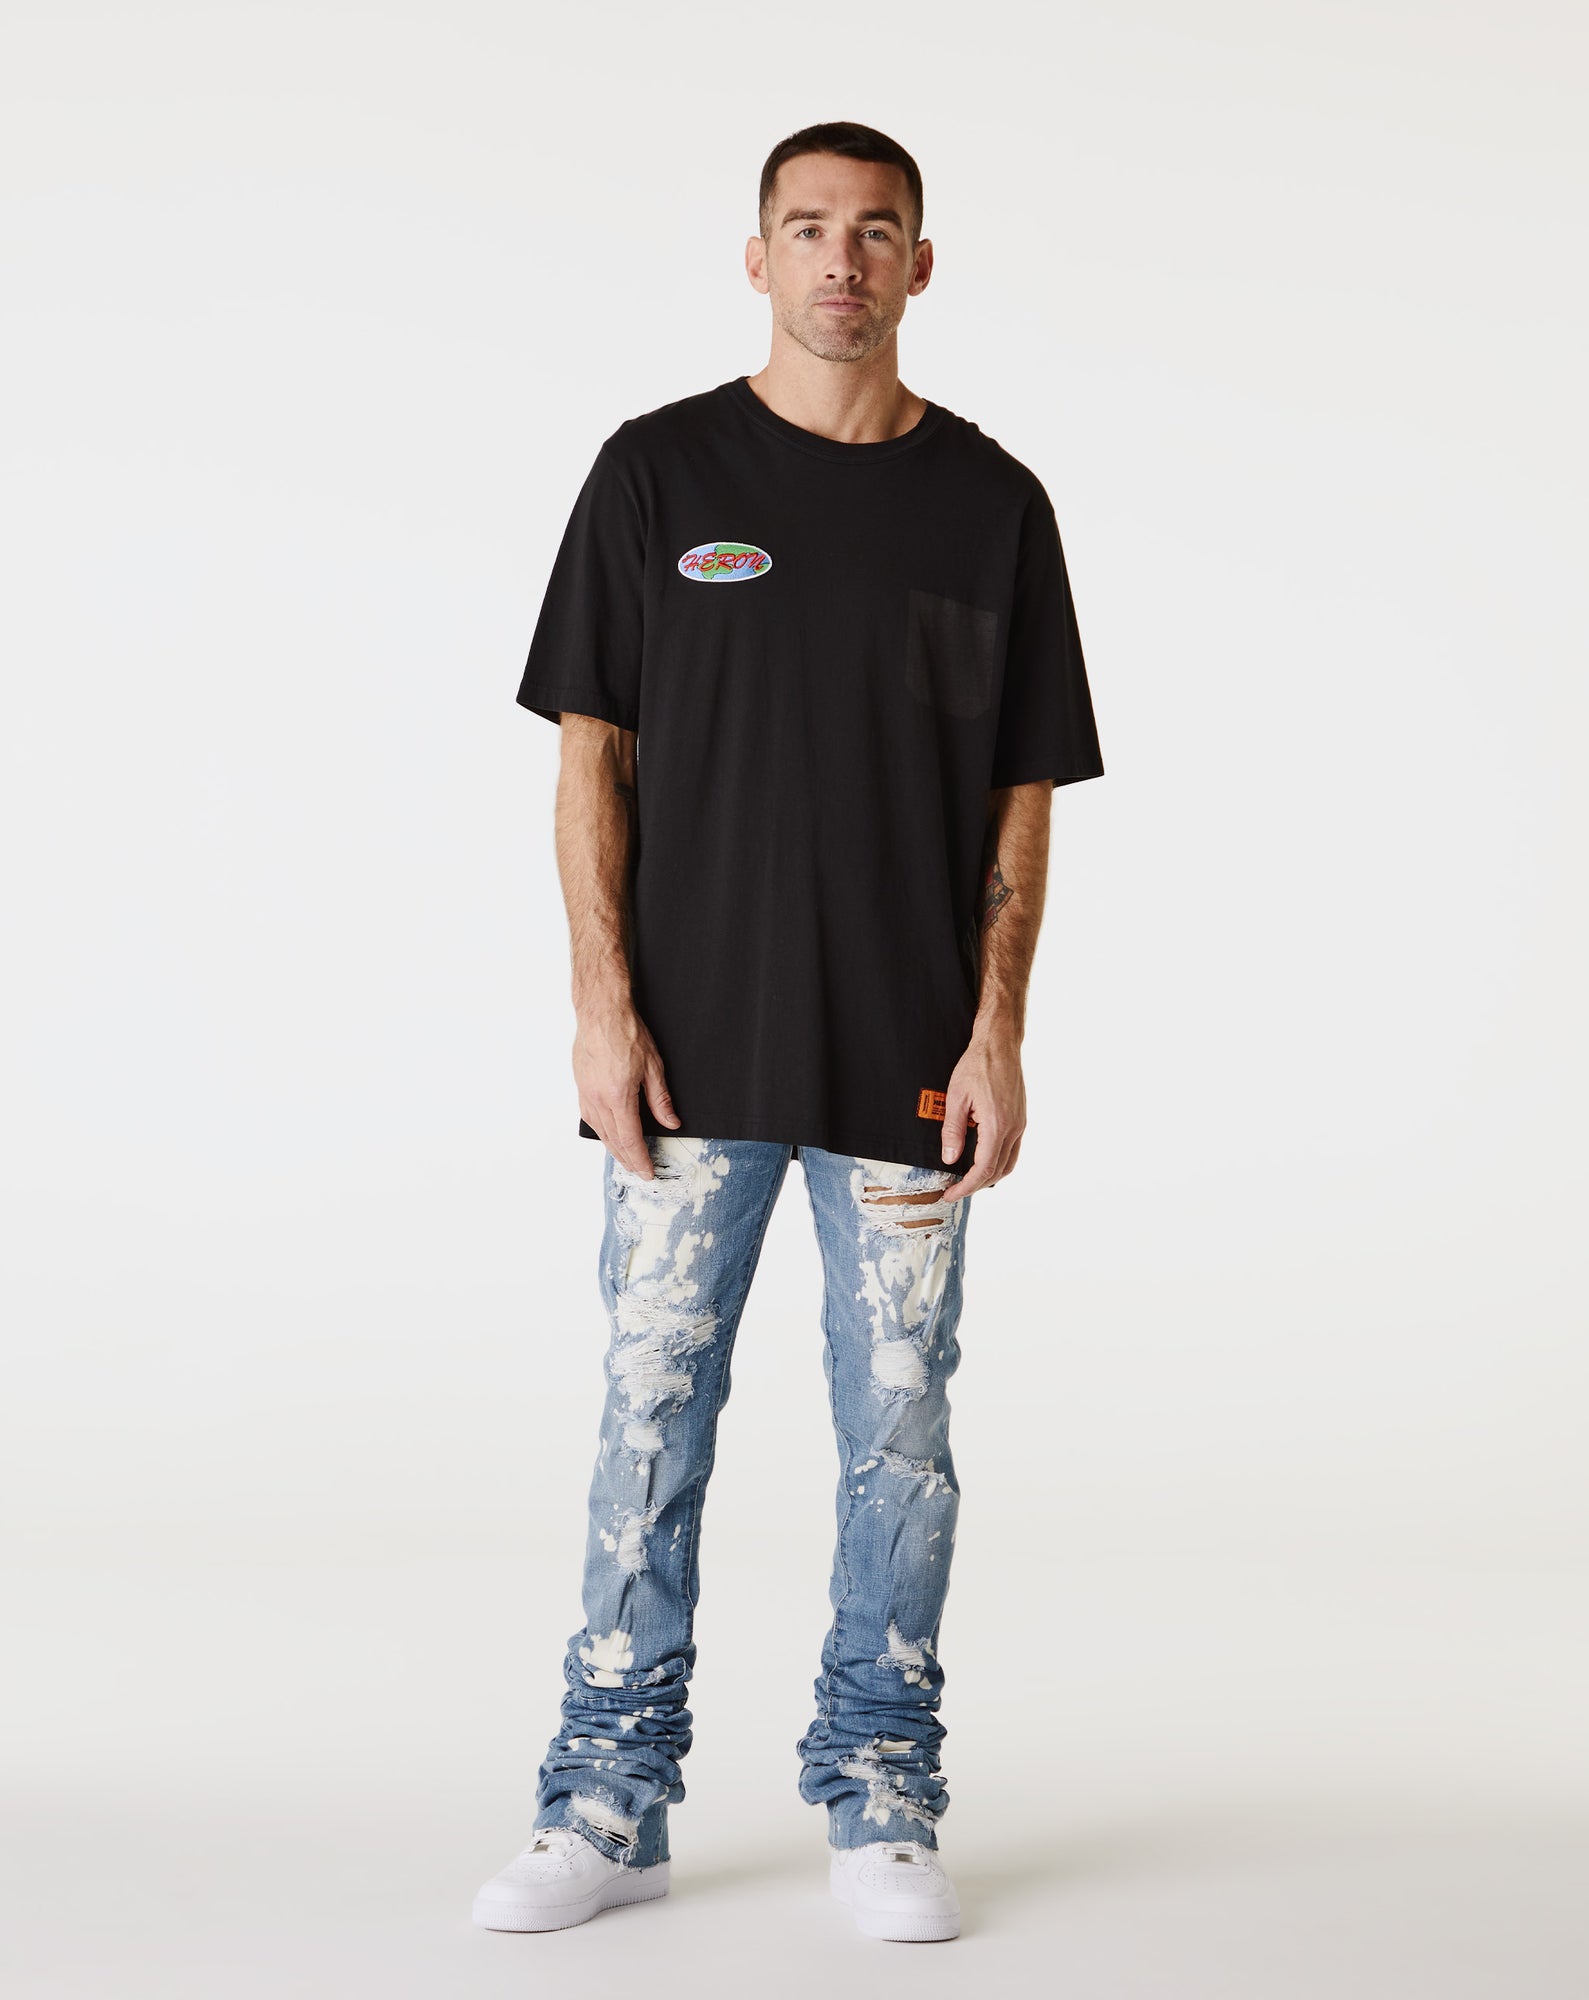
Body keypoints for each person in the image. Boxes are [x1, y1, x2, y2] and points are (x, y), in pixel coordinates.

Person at [472, 120, 1104, 1944]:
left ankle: (882, 1793)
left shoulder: (991, 505)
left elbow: (1019, 792)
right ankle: (607, 1800)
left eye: (876, 229)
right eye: (808, 227)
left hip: (905, 1054)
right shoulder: (656, 473)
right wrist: (601, 1010)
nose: (842, 258)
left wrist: (996, 1033)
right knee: (650, 1409)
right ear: (756, 258)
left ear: (920, 264)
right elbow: (591, 754)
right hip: (687, 1054)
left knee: (900, 1426)